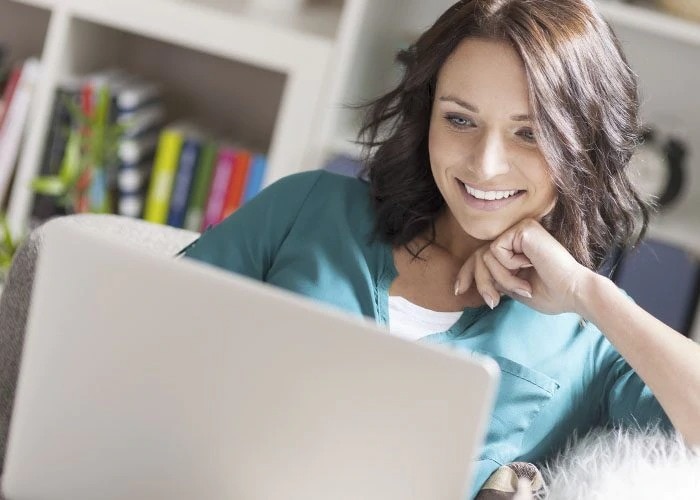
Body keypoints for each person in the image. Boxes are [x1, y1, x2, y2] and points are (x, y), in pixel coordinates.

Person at [183, 0, 700, 497]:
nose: (484, 164)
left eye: (529, 133)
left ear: (582, 145)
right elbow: (147, 330)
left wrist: (589, 293)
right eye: (459, 119)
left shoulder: (590, 346)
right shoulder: (307, 208)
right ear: (426, 113)